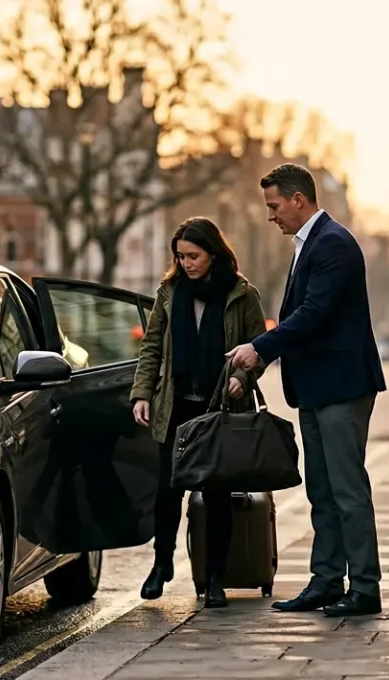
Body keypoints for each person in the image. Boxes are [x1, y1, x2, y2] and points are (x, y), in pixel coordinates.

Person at [226, 163, 386, 618]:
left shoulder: (333, 243)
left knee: (347, 489)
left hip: (341, 386)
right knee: (322, 489)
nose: (270, 215)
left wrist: (259, 348)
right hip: (318, 387)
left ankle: (365, 587)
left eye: (275, 205)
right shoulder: (310, 244)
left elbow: (313, 314)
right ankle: (327, 580)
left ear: (299, 200)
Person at [129, 217, 267, 609]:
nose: (186, 264)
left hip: (219, 408)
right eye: (181, 257)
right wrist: (142, 394)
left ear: (213, 253)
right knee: (167, 491)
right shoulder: (170, 292)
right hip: (175, 406)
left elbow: (260, 348)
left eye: (193, 256)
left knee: (217, 494)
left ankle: (216, 577)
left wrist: (242, 377)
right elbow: (151, 346)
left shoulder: (242, 294)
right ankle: (162, 565)